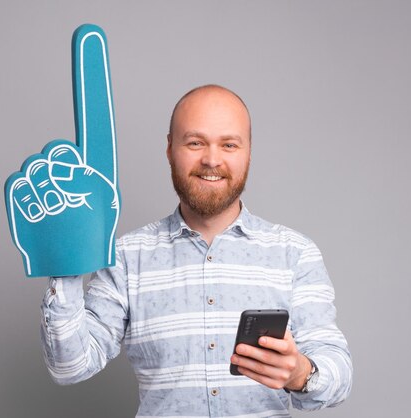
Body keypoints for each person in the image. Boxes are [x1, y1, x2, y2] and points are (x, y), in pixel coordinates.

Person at [40, 85, 352, 417]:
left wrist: (300, 373)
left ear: (248, 152)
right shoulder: (126, 258)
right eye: (195, 143)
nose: (212, 160)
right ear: (170, 149)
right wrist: (67, 255)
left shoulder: (295, 254)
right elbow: (70, 366)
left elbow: (338, 373)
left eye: (229, 144)